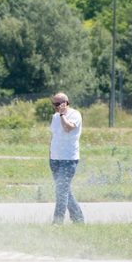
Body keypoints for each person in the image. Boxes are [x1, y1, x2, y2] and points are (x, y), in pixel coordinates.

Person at [49, 92, 84, 225]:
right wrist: (50, 154)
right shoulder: (55, 116)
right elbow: (54, 136)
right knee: (64, 190)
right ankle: (78, 219)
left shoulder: (75, 114)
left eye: (58, 104)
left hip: (68, 159)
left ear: (66, 103)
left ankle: (57, 222)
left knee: (61, 191)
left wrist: (62, 115)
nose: (55, 106)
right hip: (55, 159)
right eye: (54, 104)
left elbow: (68, 128)